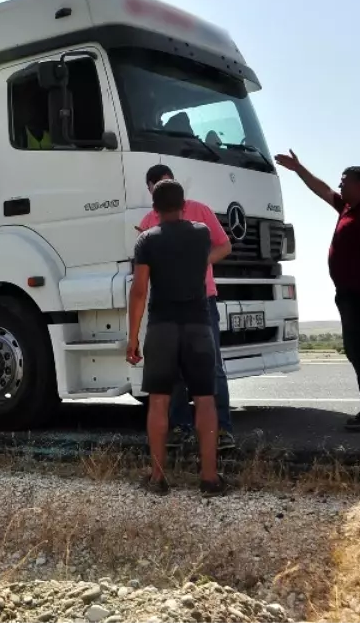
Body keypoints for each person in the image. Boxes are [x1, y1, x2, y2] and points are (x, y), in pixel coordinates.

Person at [273, 149, 360, 431]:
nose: (340, 185)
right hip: (348, 292)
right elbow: (322, 189)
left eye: (345, 181)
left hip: (359, 293)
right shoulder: (349, 209)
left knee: (357, 348)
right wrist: (299, 169)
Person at [128, 178, 232, 495]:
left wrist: (133, 338)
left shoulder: (146, 240)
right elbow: (215, 250)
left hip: (162, 327)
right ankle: (210, 479)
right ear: (183, 204)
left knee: (159, 401)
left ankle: (158, 479)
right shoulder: (201, 233)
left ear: (155, 208)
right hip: (198, 325)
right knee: (205, 400)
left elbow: (139, 291)